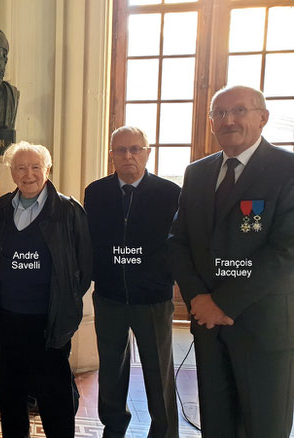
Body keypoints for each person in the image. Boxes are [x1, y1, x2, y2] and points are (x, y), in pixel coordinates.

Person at [169, 85, 294, 437]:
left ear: (263, 118)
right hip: (209, 329)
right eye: (220, 113)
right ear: (211, 123)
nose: (229, 120)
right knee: (218, 425)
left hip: (263, 328)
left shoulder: (288, 170)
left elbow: (287, 250)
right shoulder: (197, 173)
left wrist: (223, 302)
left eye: (239, 110)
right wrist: (197, 299)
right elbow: (176, 242)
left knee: (264, 427)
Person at [0, 141, 91, 437]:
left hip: (49, 321)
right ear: (12, 172)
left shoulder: (69, 210)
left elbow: (83, 267)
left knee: (53, 394)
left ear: (47, 169)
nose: (28, 174)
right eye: (20, 168)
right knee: (11, 392)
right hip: (8, 317)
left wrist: (64, 302)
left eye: (35, 167)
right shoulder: (1, 209)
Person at [84, 127, 180, 438]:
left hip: (152, 298)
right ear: (111, 155)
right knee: (111, 369)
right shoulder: (96, 192)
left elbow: (177, 244)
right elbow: (91, 241)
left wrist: (164, 277)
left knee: (157, 370)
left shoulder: (169, 192)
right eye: (121, 150)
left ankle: (164, 431)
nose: (128, 156)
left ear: (148, 153)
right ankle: (113, 426)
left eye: (136, 149)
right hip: (110, 295)